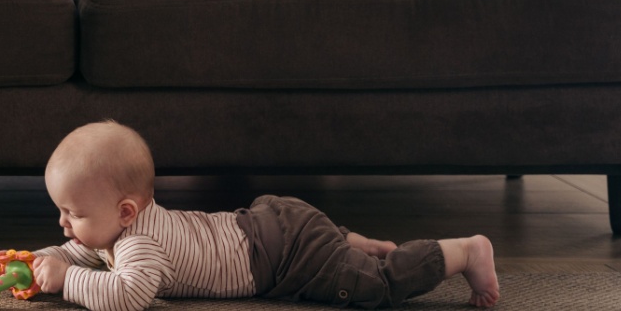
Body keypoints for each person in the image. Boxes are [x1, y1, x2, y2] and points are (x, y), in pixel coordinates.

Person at [28, 121, 501, 310]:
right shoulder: (124, 227)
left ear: (125, 211)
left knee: (374, 287)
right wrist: (37, 261)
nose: (64, 224)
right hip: (268, 219)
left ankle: (462, 252)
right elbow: (78, 251)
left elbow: (127, 295)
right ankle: (360, 243)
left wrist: (66, 280)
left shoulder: (137, 246)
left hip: (285, 256)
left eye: (72, 213)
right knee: (330, 245)